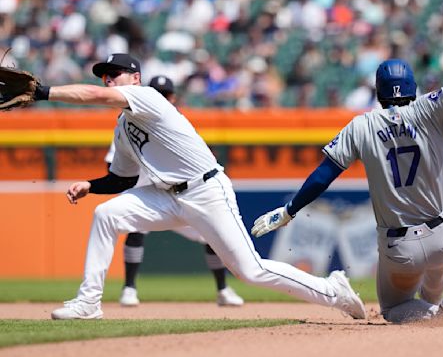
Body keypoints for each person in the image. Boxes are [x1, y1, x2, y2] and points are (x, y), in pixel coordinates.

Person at [42, 53, 365, 320]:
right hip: (167, 196)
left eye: (116, 73)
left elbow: (95, 96)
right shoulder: (124, 128)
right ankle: (88, 303)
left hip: (206, 191)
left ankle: (332, 290)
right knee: (106, 214)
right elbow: (122, 179)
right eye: (105, 75)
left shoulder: (147, 97)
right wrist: (90, 184)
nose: (109, 79)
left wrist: (44, 92)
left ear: (135, 78)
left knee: (250, 271)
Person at [251, 0, 443, 323]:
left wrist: (290, 211)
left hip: (400, 246)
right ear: (411, 87)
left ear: (379, 91)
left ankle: (436, 312)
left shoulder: (362, 125)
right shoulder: (431, 109)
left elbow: (323, 175)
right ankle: (442, 304)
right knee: (437, 264)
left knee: (393, 309)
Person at [106, 75, 243, 307]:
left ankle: (223, 289)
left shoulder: (177, 122)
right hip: (149, 193)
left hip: (185, 193)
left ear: (173, 97)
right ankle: (129, 288)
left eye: (165, 94)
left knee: (211, 236)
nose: (160, 97)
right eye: (156, 93)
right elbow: (114, 165)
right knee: (133, 229)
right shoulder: (128, 122)